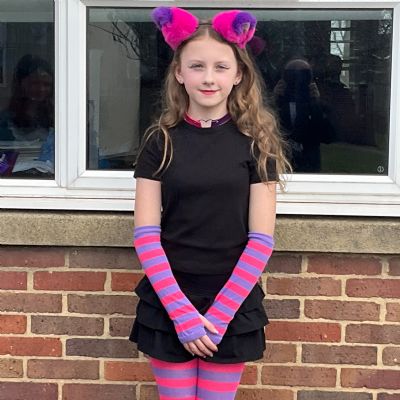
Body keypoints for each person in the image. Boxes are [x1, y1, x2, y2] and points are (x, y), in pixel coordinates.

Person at [130, 7, 290, 400]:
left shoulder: (257, 145)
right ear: (179, 73)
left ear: (238, 75)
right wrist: (181, 313)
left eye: (220, 67)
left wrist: (219, 315)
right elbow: (146, 235)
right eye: (197, 66)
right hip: (170, 302)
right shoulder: (160, 142)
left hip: (230, 304)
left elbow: (261, 240)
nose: (208, 78)